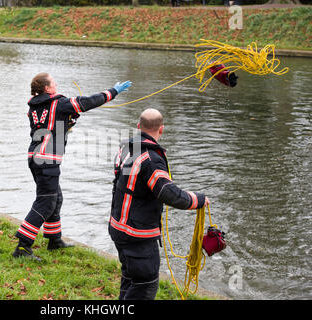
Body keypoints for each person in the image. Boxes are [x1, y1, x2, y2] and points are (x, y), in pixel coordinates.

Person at [13, 72, 132, 261]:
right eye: (53, 82)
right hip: (46, 159)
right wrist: (113, 91)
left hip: (35, 156)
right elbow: (88, 102)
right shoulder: (59, 103)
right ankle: (23, 247)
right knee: (46, 201)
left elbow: (51, 126)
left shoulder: (34, 107)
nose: (56, 84)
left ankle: (54, 240)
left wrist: (66, 122)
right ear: (46, 88)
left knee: (55, 198)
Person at [109, 108, 210, 300]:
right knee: (145, 285)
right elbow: (168, 193)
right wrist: (199, 200)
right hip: (137, 234)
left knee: (130, 279)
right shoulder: (151, 159)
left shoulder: (126, 148)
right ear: (161, 130)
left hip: (117, 227)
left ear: (139, 127)